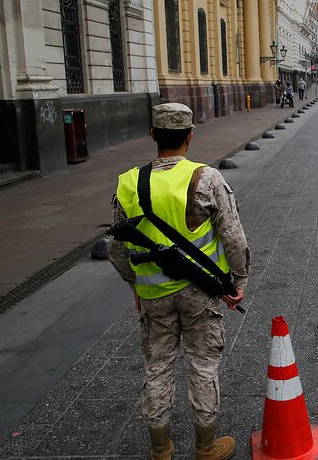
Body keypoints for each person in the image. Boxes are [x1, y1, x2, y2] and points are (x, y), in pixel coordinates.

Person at [108, 103, 250, 460]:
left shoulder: (129, 183)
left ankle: (161, 451)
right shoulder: (206, 178)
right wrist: (239, 280)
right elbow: (233, 236)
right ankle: (205, 447)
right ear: (189, 136)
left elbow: (116, 249)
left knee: (158, 366)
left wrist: (137, 286)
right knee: (203, 365)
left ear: (153, 135)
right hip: (200, 293)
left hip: (153, 295)